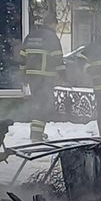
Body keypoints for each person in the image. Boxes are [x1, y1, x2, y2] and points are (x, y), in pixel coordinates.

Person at [20, 14, 65, 142]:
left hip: (31, 77)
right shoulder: (51, 37)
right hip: (45, 77)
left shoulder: (30, 36)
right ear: (53, 24)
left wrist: (23, 75)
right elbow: (57, 58)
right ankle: (36, 135)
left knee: (37, 104)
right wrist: (63, 75)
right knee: (43, 105)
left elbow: (22, 57)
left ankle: (36, 133)